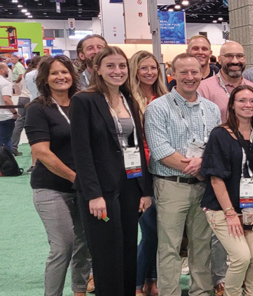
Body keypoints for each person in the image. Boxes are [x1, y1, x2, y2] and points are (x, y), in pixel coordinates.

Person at [70, 46, 153, 295]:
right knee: (107, 253)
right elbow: (81, 153)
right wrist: (93, 194)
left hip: (129, 185)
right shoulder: (84, 100)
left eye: (121, 66)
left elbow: (136, 147)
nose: (117, 71)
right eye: (110, 66)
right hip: (100, 190)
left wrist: (144, 190)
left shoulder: (128, 99)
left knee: (128, 248)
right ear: (97, 69)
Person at [144, 53, 222, 296]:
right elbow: (160, 150)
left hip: (203, 187)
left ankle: (201, 292)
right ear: (173, 74)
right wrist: (198, 167)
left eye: (195, 72)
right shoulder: (157, 107)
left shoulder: (212, 109)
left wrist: (203, 169)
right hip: (171, 185)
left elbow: (216, 147)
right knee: (170, 246)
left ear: (202, 73)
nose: (190, 77)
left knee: (202, 245)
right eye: (184, 72)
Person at [25, 55, 92, 296]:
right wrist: (76, 178)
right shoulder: (37, 109)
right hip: (51, 188)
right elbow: (41, 152)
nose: (60, 77)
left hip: (85, 188)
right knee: (63, 246)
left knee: (85, 245)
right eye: (54, 73)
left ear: (72, 75)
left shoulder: (83, 103)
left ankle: (80, 291)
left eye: (64, 72)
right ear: (45, 78)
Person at [201, 85, 253, 296]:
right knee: (241, 257)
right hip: (222, 209)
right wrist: (230, 214)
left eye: (252, 101)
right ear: (232, 105)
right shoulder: (220, 134)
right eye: (242, 100)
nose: (248, 105)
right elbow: (215, 178)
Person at [127, 50, 168, 296]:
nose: (150, 72)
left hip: (162, 169)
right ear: (135, 71)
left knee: (160, 233)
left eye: (153, 68)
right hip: (141, 173)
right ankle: (136, 284)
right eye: (144, 68)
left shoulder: (164, 96)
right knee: (150, 229)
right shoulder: (128, 100)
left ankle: (152, 280)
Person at [197, 41, 253, 119]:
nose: (235, 61)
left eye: (239, 56)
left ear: (244, 59)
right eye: (229, 56)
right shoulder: (202, 89)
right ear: (220, 60)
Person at [0, 64, 15, 151]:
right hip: (4, 117)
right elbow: (6, 100)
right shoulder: (5, 83)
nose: (8, 70)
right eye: (6, 68)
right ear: (2, 70)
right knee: (5, 143)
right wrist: (14, 113)